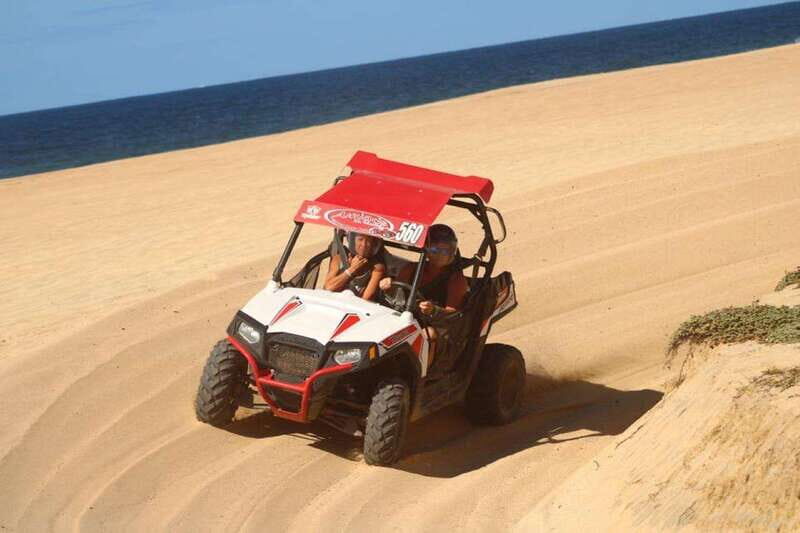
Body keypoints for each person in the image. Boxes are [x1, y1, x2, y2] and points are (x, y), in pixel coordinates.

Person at [379, 224, 468, 370]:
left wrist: (434, 310)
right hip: (407, 317)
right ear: (426, 249)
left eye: (445, 250)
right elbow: (396, 295)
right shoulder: (412, 269)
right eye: (434, 249)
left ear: (453, 251)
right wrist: (388, 287)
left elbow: (453, 314)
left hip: (437, 325)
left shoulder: (456, 280)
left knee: (429, 335)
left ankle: (423, 374)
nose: (440, 254)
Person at [324, 233, 386, 301]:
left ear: (373, 244)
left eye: (368, 241)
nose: (364, 245)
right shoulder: (339, 259)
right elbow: (328, 288)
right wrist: (352, 270)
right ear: (353, 241)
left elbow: (366, 300)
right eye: (360, 239)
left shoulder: (377, 268)